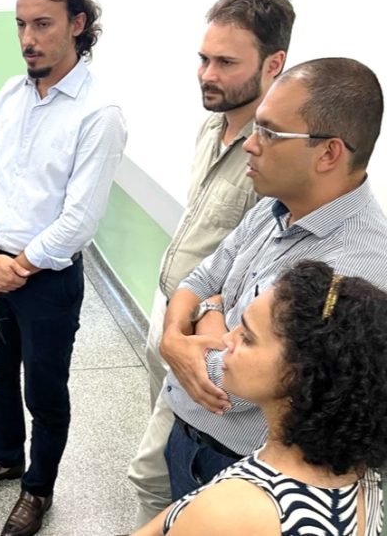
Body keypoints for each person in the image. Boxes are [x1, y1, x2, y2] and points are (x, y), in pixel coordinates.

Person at [157, 57, 387, 503]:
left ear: (329, 153)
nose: (250, 143)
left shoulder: (353, 265)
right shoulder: (274, 206)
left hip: (245, 470)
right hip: (191, 434)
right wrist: (174, 333)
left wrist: (205, 314)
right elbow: (202, 275)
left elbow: (243, 383)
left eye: (269, 132)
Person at [0, 0, 127, 536]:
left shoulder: (99, 113)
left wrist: (9, 271)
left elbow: (78, 220)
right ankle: (7, 456)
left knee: (45, 390)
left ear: (77, 24)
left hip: (48, 280)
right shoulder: (11, 93)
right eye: (21, 24)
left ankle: (38, 488)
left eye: (42, 24)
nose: (27, 39)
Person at [128, 0, 296, 526]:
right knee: (171, 455)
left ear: (273, 64)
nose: (207, 74)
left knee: (152, 474)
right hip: (173, 308)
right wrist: (172, 321)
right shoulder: (211, 126)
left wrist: (195, 323)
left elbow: (252, 275)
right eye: (204, 59)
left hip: (210, 337)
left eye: (226, 63)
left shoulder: (272, 158)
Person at [134, 261, 386, 536]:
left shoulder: (234, 511)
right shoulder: (355, 470)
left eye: (247, 338)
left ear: (299, 374)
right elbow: (183, 510)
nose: (226, 340)